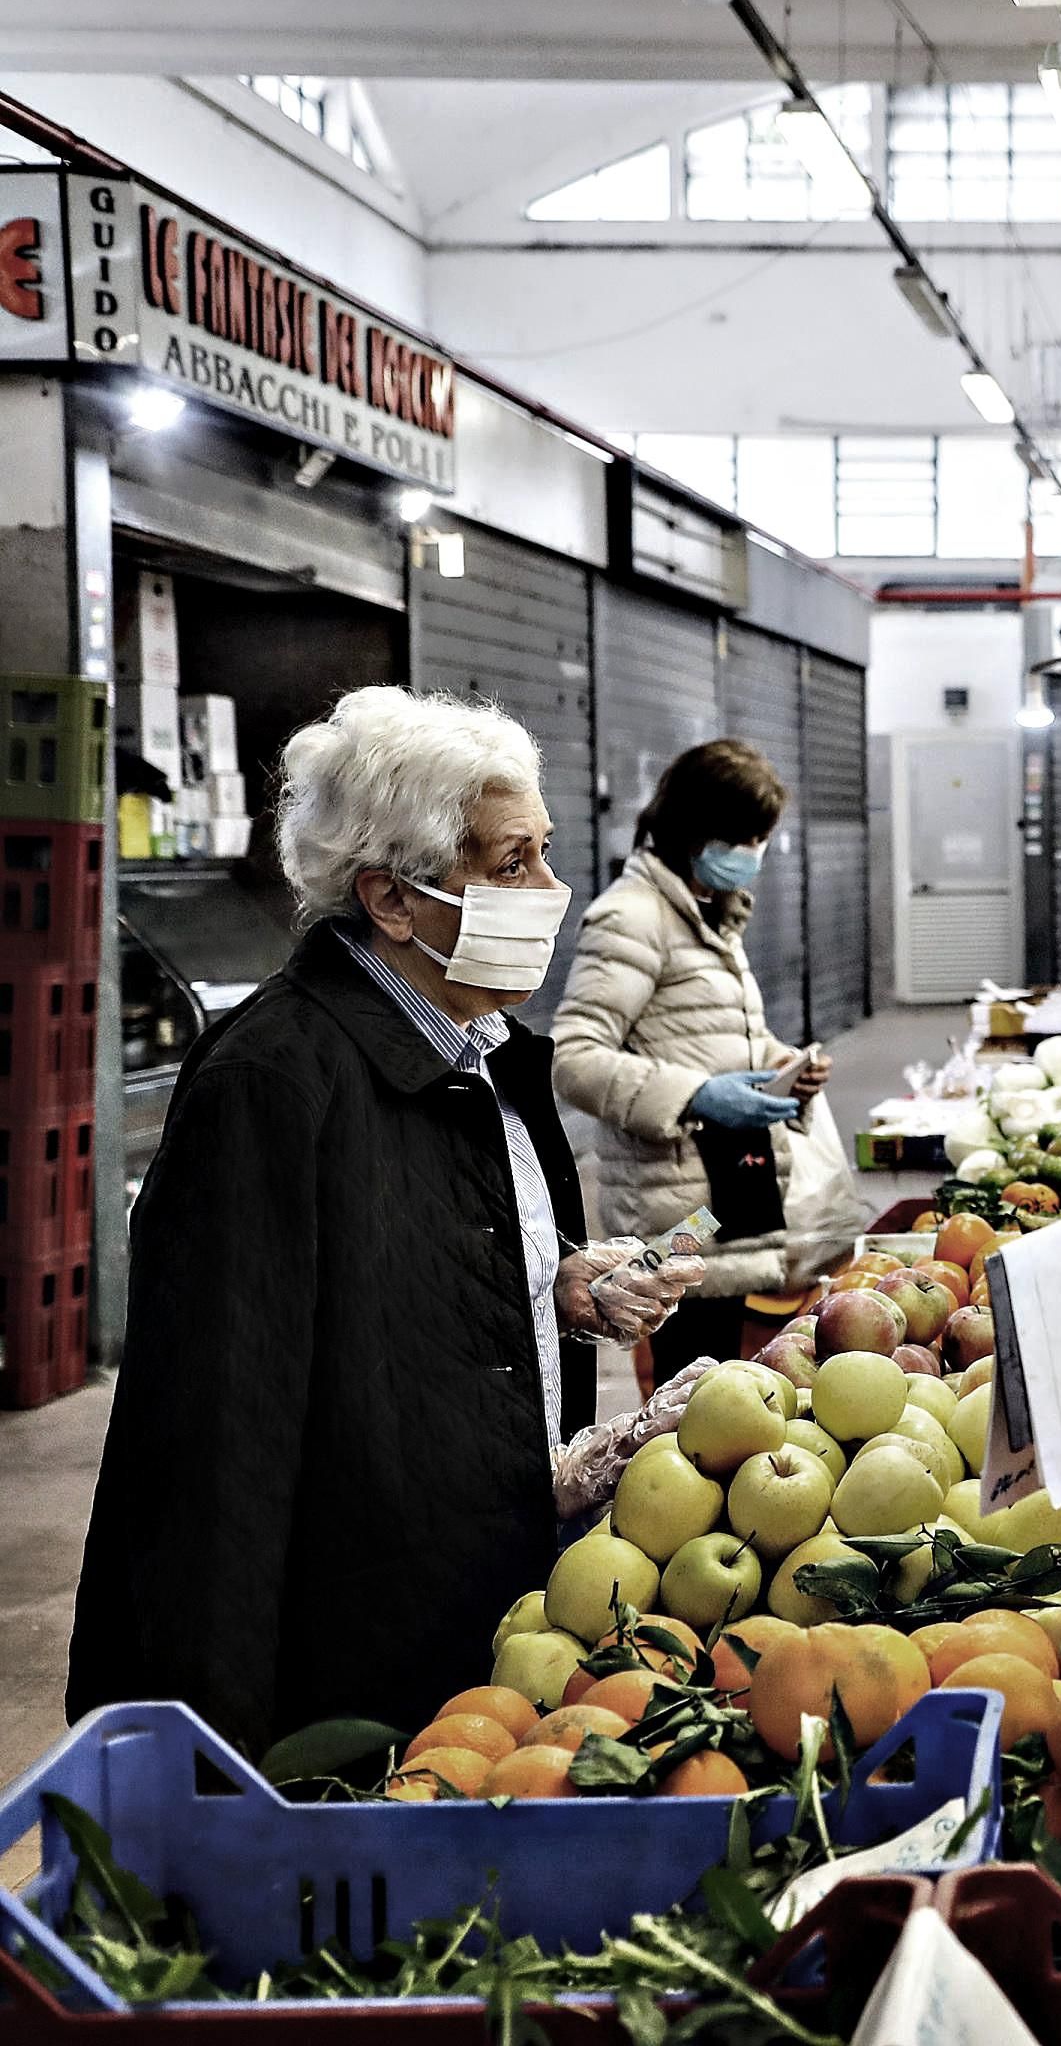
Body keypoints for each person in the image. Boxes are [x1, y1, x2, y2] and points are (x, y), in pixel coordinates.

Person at [67, 688, 700, 1750]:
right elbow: (214, 1447)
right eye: (510, 865)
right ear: (391, 900)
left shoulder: (484, 1048)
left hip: (495, 1618)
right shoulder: (271, 1083)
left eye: (545, 853)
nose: (553, 891)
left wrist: (554, 1282)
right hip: (358, 1672)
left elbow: (409, 1255)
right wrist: (204, 1763)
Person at [552, 740, 846, 1376]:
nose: (753, 854)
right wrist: (696, 1096)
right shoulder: (631, 919)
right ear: (697, 829)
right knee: (687, 1397)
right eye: (744, 837)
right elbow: (574, 1058)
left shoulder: (710, 916)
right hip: (678, 1213)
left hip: (724, 1195)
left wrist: (783, 1065)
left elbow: (709, 1036)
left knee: (725, 1386)